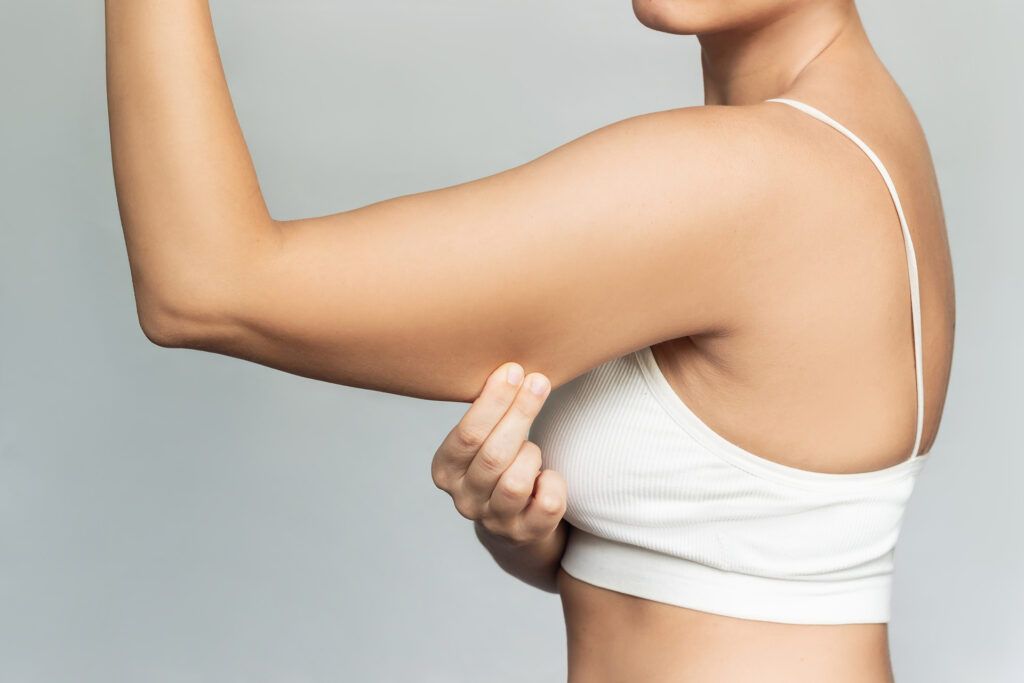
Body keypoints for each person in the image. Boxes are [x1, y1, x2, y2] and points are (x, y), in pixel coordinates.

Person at [105, 0, 955, 680]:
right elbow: (742, 566)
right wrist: (540, 535)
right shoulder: (865, 133)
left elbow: (205, 286)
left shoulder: (763, 175)